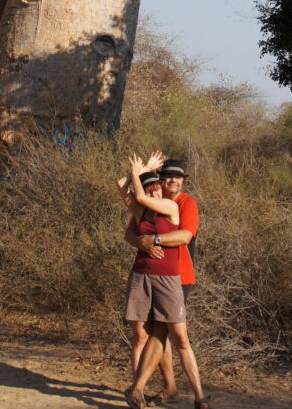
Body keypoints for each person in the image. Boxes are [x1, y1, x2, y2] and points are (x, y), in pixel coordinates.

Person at [119, 154, 209, 409]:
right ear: (160, 180)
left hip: (179, 276)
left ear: (183, 182)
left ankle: (149, 388)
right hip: (152, 273)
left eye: (178, 177)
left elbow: (184, 235)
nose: (173, 181)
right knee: (157, 332)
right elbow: (130, 230)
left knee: (168, 332)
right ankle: (168, 388)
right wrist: (140, 241)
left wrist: (154, 240)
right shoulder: (151, 205)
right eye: (168, 176)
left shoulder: (185, 204)